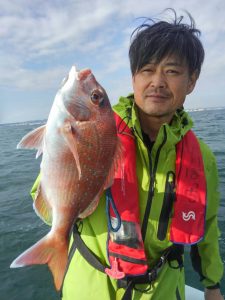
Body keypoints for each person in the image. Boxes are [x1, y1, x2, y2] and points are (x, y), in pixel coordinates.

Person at [31, 10, 224, 300]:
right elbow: (44, 197)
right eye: (147, 69)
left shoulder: (203, 158)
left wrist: (212, 285)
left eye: (172, 71)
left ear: (192, 81)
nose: (157, 81)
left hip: (163, 290)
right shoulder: (99, 131)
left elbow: (207, 228)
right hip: (90, 288)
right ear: (133, 77)